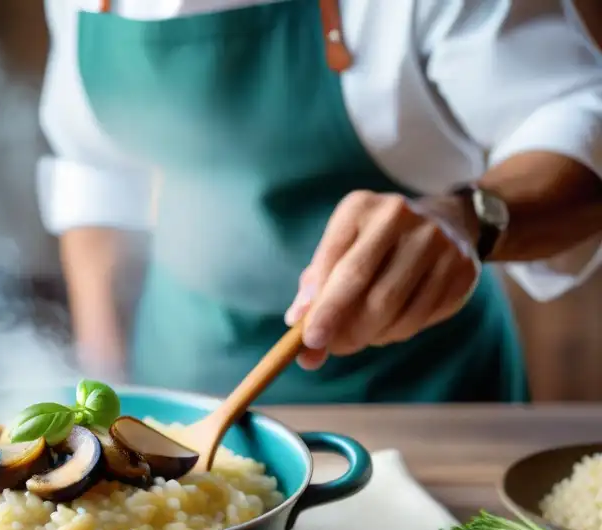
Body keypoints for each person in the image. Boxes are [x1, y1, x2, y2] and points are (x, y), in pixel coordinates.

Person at [36, 0, 602, 403]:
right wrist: (104, 381)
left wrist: (469, 216)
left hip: (420, 395)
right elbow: (93, 169)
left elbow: (576, 111)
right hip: (180, 375)